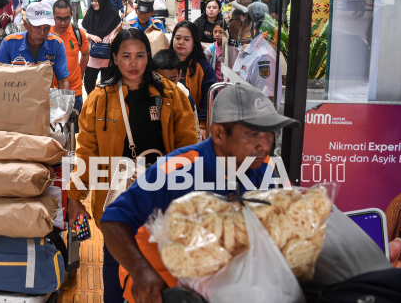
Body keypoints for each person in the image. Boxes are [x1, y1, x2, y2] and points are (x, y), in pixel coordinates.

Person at [100, 82, 299, 303]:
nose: (265, 144)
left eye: (269, 134)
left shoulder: (268, 172)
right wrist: (141, 272)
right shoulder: (176, 169)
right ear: (218, 133)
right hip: (164, 290)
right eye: (253, 134)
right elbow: (113, 220)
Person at [67, 28, 198, 303]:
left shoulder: (171, 96)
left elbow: (188, 148)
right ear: (114, 58)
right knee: (116, 264)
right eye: (126, 56)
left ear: (148, 58)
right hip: (118, 200)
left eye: (140, 55)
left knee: (161, 268)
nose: (133, 63)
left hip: (162, 198)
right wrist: (75, 197)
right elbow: (86, 153)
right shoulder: (98, 100)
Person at [0, 2, 71, 90]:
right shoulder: (10, 43)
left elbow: (63, 80)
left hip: (44, 100)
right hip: (15, 99)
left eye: (46, 28)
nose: (42, 33)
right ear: (26, 25)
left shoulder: (56, 44)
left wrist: (65, 102)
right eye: (37, 27)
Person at [233, 2, 284, 103]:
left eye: (242, 21)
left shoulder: (263, 56)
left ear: (252, 25)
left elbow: (265, 101)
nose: (238, 26)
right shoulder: (249, 50)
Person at [170, 21, 217, 125]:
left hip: (193, 124)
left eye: (186, 39)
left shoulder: (204, 68)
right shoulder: (163, 63)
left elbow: (209, 98)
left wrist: (203, 124)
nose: (181, 42)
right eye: (177, 38)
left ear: (194, 42)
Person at [81, 0, 123, 94]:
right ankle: (92, 104)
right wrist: (91, 36)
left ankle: (103, 106)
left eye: (96, 0)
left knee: (107, 87)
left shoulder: (113, 16)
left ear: (103, 0)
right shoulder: (89, 15)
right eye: (92, 0)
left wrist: (114, 35)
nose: (94, 3)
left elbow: (120, 30)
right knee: (88, 84)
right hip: (92, 57)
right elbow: (81, 34)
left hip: (107, 58)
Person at [52, 0, 89, 116]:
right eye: (59, 19)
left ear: (72, 15)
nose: (62, 23)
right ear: (52, 16)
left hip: (74, 92)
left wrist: (80, 74)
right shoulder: (45, 33)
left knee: (74, 129)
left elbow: (86, 53)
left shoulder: (77, 33)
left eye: (66, 18)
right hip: (50, 91)